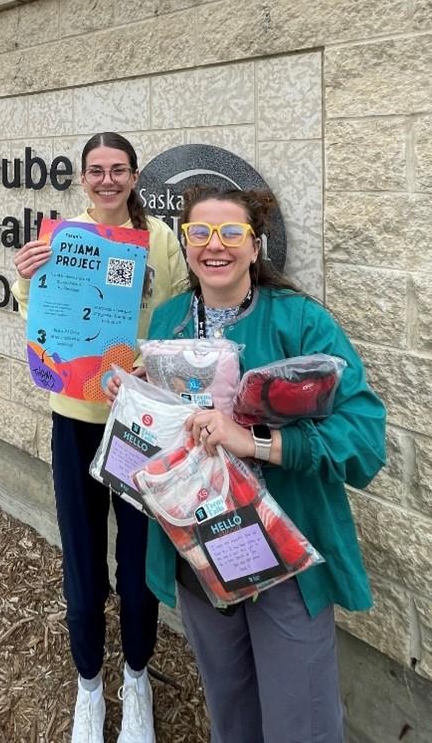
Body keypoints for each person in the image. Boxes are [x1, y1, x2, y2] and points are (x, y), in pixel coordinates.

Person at [143, 184, 386, 743]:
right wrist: (138, 409)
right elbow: (155, 431)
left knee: (300, 718)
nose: (215, 246)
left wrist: (255, 440)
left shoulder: (300, 322)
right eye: (199, 233)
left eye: (232, 233)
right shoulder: (169, 322)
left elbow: (364, 436)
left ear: (256, 246)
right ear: (184, 243)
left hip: (284, 549)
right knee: (231, 710)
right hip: (198, 547)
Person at [12, 132, 188, 743]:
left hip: (141, 420)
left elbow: (178, 321)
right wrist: (26, 276)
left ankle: (136, 677)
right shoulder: (60, 238)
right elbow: (40, 316)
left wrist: (152, 360)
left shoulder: (161, 241)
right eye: (96, 170)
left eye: (118, 169)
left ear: (135, 176)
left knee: (139, 560)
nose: (107, 179)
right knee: (82, 555)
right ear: (83, 177)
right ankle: (89, 683)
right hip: (76, 417)